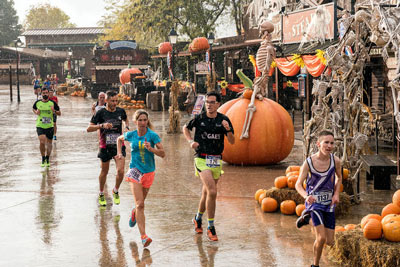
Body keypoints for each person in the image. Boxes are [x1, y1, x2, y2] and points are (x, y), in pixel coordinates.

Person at [182, 91, 235, 241]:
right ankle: (211, 227)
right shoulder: (199, 118)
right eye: (207, 102)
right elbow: (185, 128)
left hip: (216, 160)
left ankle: (197, 218)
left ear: (218, 104)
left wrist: (228, 130)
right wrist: (190, 141)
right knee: (212, 191)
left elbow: (232, 141)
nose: (209, 105)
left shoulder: (224, 120)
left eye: (212, 102)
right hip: (201, 158)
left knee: (206, 193)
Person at [117, 109, 165, 247]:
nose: (143, 122)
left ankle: (134, 212)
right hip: (135, 170)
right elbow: (119, 139)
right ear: (135, 121)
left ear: (147, 121)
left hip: (149, 172)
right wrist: (119, 153)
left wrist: (152, 149)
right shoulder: (131, 135)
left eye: (145, 120)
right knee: (140, 204)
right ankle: (143, 236)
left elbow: (163, 154)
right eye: (140, 120)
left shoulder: (153, 136)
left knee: (140, 203)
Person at [295, 130, 342, 267]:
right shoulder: (309, 162)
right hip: (314, 203)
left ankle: (306, 219)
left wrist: (336, 194)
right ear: (318, 144)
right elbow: (298, 183)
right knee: (320, 238)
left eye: (332, 143)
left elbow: (339, 178)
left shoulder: (336, 161)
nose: (329, 146)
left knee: (329, 241)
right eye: (326, 142)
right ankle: (315, 265)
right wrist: (306, 196)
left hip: (328, 203)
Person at [87, 90, 129, 207]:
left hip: (119, 145)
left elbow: (126, 119)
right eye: (112, 101)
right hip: (105, 146)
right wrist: (102, 125)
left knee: (120, 171)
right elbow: (88, 128)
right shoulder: (100, 113)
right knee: (104, 171)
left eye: (116, 101)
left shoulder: (121, 111)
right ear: (106, 101)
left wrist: (127, 126)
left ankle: (115, 190)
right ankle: (101, 193)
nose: (115, 103)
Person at [33, 87, 61, 167]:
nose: (45, 94)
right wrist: (36, 112)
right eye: (43, 93)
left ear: (49, 94)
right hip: (40, 125)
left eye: (46, 93)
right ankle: (43, 158)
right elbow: (33, 108)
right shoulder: (37, 103)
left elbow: (60, 113)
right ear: (41, 94)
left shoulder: (53, 103)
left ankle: (47, 158)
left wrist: (54, 111)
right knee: (42, 141)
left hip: (50, 126)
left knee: (49, 144)